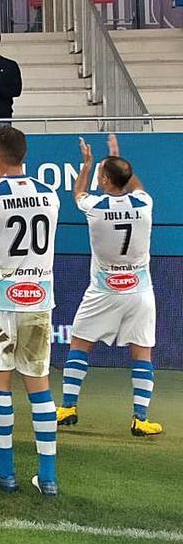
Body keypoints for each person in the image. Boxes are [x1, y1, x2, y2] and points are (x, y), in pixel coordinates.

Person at [0, 125, 60, 496]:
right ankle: (47, 477)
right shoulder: (50, 195)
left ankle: (5, 472)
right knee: (39, 387)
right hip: (37, 297)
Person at [58, 135, 161, 437]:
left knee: (79, 344)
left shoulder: (95, 206)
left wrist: (87, 165)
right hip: (139, 290)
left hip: (103, 290)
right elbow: (135, 185)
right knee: (142, 353)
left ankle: (68, 406)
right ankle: (140, 418)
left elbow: (78, 192)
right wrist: (118, 158)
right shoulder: (144, 203)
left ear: (103, 179)